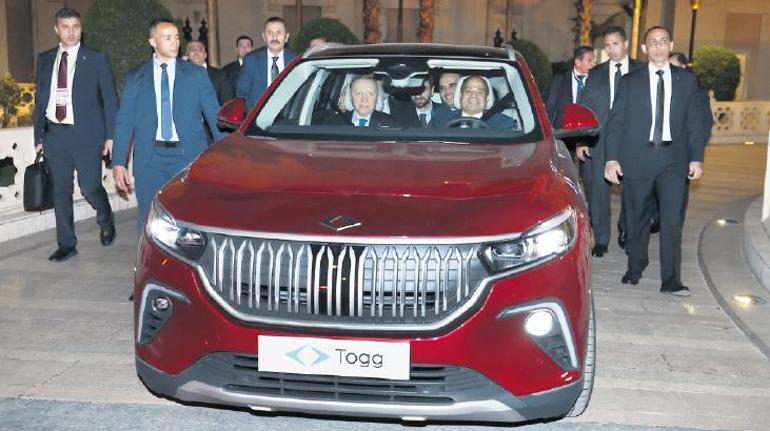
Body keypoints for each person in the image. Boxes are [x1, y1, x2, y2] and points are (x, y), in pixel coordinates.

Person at [604, 26, 710, 297]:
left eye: (663, 42)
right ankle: (636, 266)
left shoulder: (687, 80)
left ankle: (671, 280)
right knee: (636, 218)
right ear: (644, 48)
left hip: (674, 160)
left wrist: (697, 158)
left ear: (671, 45)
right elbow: (616, 122)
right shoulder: (630, 81)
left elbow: (695, 122)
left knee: (672, 222)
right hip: (637, 159)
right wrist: (611, 159)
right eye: (653, 42)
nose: (659, 47)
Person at [112, 18, 223, 231]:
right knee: (148, 219)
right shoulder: (136, 77)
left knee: (190, 218)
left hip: (187, 156)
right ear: (153, 42)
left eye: (176, 37)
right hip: (150, 158)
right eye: (168, 38)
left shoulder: (196, 74)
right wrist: (118, 162)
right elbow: (125, 120)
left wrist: (227, 153)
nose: (175, 43)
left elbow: (214, 116)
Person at [32, 7, 117, 262]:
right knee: (61, 192)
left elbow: (110, 99)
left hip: (87, 136)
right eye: (65, 27)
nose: (71, 32)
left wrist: (111, 136)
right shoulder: (45, 59)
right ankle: (67, 244)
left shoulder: (96, 59)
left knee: (90, 187)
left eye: (76, 27)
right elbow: (40, 100)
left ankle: (105, 216)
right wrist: (39, 136)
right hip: (55, 135)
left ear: (81, 28)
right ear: (56, 29)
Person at [577, 26, 645, 258]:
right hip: (599, 142)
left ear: (625, 44)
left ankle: (626, 230)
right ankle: (602, 239)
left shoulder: (641, 71)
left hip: (632, 143)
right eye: (606, 45)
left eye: (614, 43)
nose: (610, 49)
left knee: (632, 192)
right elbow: (586, 108)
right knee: (598, 192)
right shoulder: (596, 74)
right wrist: (582, 141)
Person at [546, 45, 595, 158]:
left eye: (594, 61)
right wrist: (549, 131)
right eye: (589, 60)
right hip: (563, 134)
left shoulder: (595, 81)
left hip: (586, 135)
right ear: (578, 62)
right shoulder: (560, 79)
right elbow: (550, 105)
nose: (593, 64)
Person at [237, 17, 297, 107]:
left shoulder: (296, 61)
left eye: (279, 32)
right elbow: (242, 94)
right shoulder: (251, 61)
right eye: (270, 33)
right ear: (264, 37)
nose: (274, 37)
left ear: (286, 37)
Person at [443, 76, 515, 130]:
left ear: (487, 98)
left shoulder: (503, 123)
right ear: (460, 96)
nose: (473, 95)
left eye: (480, 92)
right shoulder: (443, 119)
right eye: (468, 91)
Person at [322, 75, 397, 127]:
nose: (364, 99)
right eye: (359, 93)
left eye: (370, 94)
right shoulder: (335, 123)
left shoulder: (391, 123)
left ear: (377, 99)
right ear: (350, 98)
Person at [186, 40, 233, 104]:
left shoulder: (220, 75)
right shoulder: (180, 76)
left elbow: (227, 103)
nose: (196, 52)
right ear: (188, 55)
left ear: (205, 55)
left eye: (199, 49)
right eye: (192, 50)